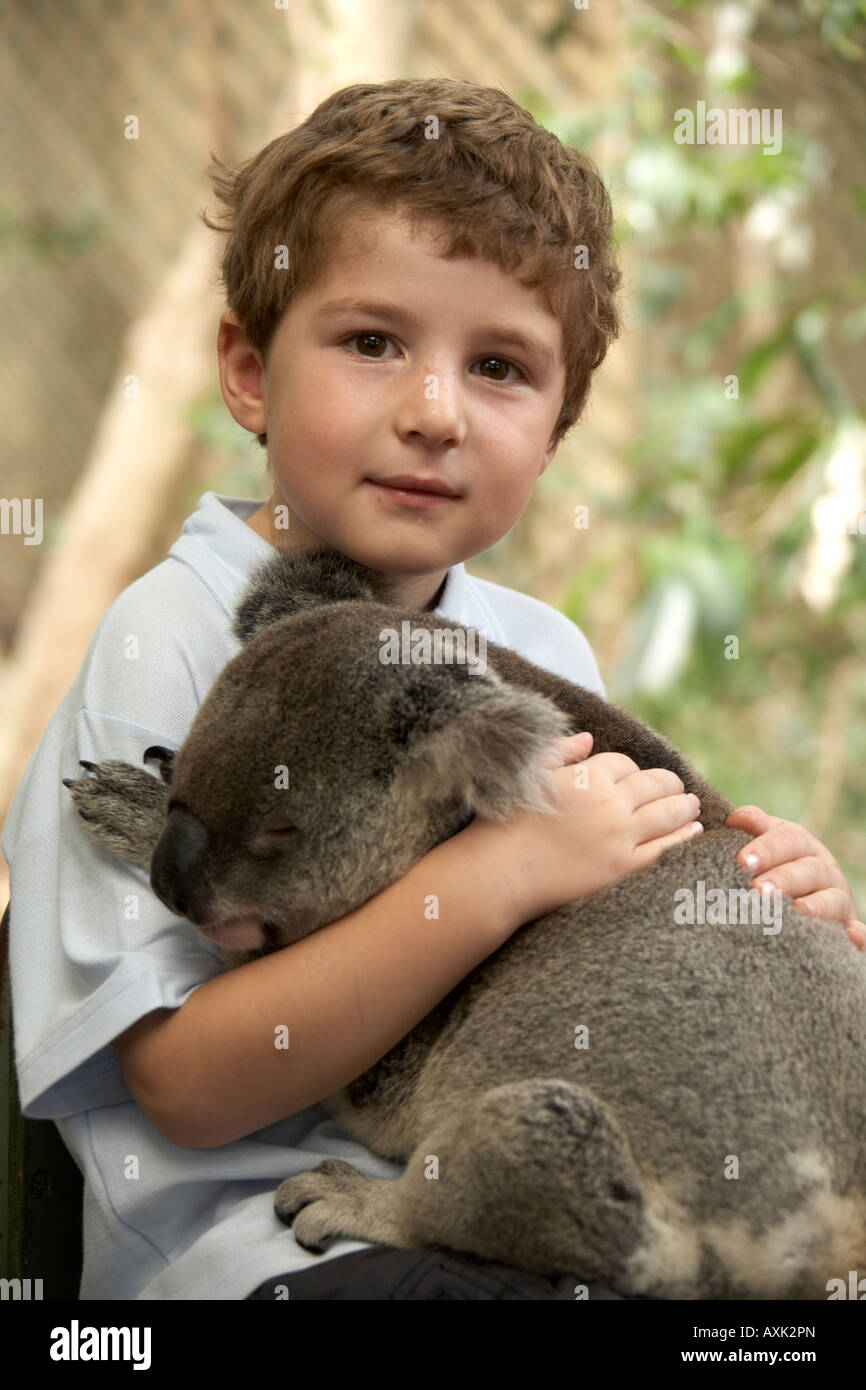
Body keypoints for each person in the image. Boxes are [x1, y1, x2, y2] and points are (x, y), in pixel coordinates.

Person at [4, 77, 862, 1304]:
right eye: (371, 343)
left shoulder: (534, 647)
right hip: (257, 1248)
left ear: (559, 428)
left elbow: (580, 960)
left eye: (501, 367)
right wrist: (495, 878)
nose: (431, 411)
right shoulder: (170, 639)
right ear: (247, 372)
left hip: (510, 1213)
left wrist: (771, 904)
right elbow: (183, 1087)